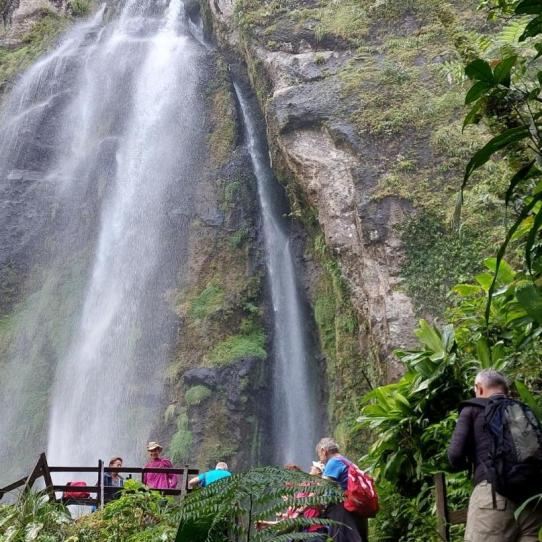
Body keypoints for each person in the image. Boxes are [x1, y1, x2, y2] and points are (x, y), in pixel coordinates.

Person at [448, 369, 542, 542]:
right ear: (505, 390)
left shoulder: (472, 409)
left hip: (493, 497)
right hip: (532, 501)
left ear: (479, 388)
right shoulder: (522, 411)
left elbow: (455, 456)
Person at [316, 437, 368, 542]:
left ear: (323, 450)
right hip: (355, 507)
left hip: (342, 510)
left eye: (319, 454)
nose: (319, 459)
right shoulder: (345, 461)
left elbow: (322, 487)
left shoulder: (333, 462)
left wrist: (315, 504)